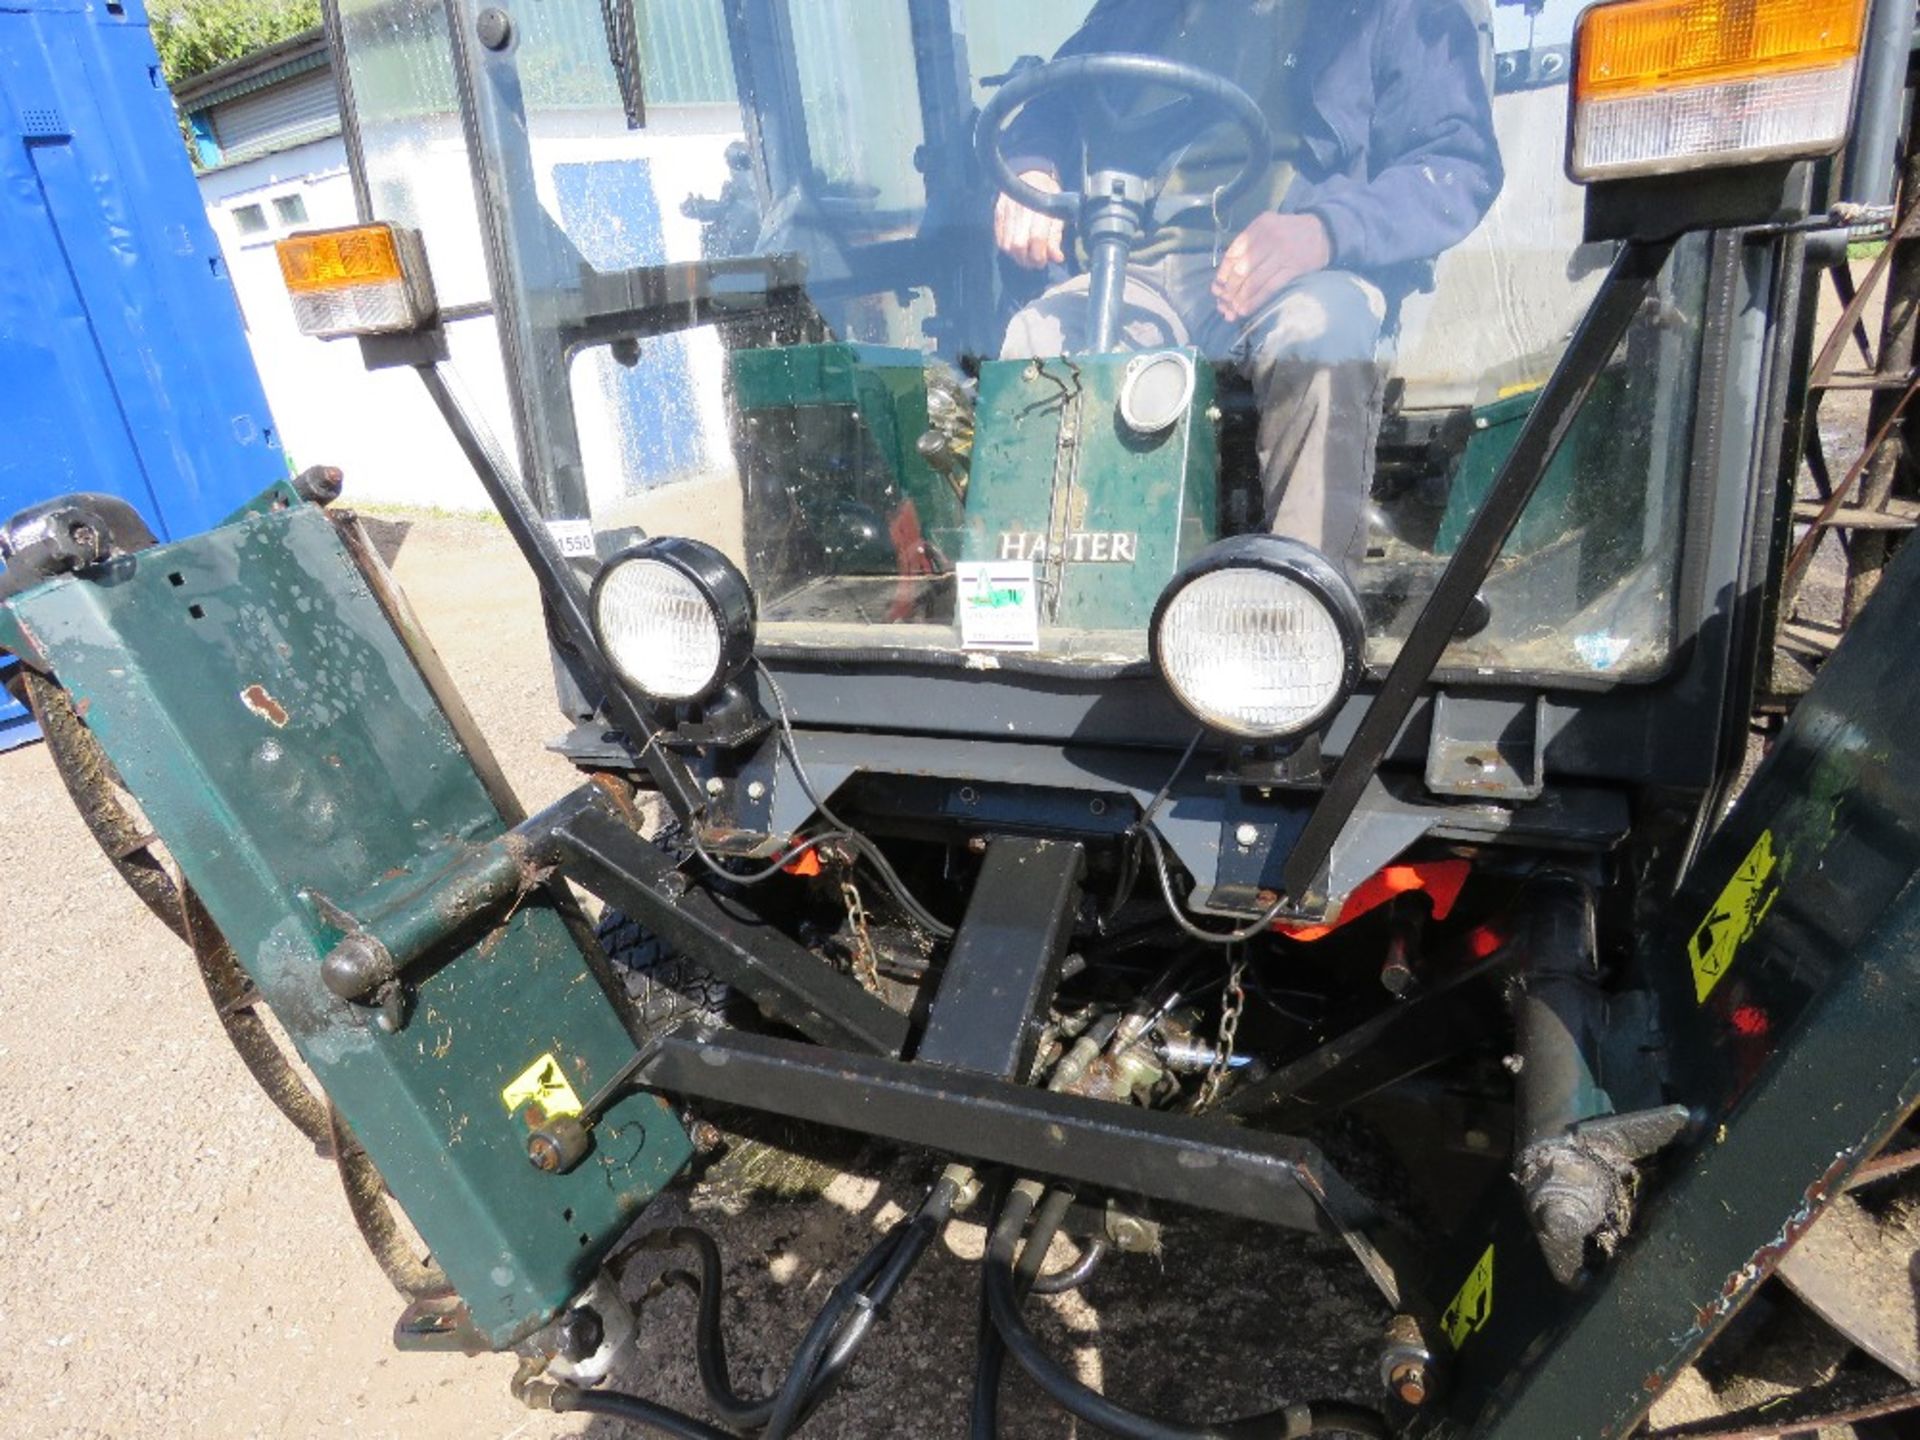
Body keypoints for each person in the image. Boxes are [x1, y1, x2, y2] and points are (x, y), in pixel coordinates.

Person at [994, 0, 1502, 565]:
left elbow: (1458, 167)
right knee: (1038, 342)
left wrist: (1323, 230)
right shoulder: (1135, 10)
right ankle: (1053, 612)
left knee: (1321, 333)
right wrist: (1034, 164)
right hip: (1134, 266)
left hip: (1297, 266)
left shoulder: (1398, 11)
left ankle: (1306, 599)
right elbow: (1058, 100)